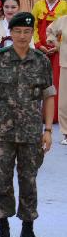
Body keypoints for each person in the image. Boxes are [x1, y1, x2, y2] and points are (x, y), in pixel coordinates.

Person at [0, 12, 54, 237]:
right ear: (10, 34)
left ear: (32, 33)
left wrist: (47, 129)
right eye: (18, 32)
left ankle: (27, 230)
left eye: (27, 32)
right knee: (2, 181)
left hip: (32, 132)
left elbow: (48, 96)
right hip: (3, 132)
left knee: (29, 181)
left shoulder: (41, 61)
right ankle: (3, 229)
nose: (22, 36)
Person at [32, 0, 66, 115]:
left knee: (57, 81)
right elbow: (33, 27)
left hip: (59, 50)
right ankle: (38, 112)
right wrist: (38, 44)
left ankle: (56, 113)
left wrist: (58, 46)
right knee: (39, 81)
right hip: (40, 49)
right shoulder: (38, 5)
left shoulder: (65, 6)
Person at [46, 12, 67, 145]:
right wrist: (55, 42)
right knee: (64, 101)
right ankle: (66, 132)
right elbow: (50, 30)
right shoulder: (63, 20)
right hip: (66, 63)